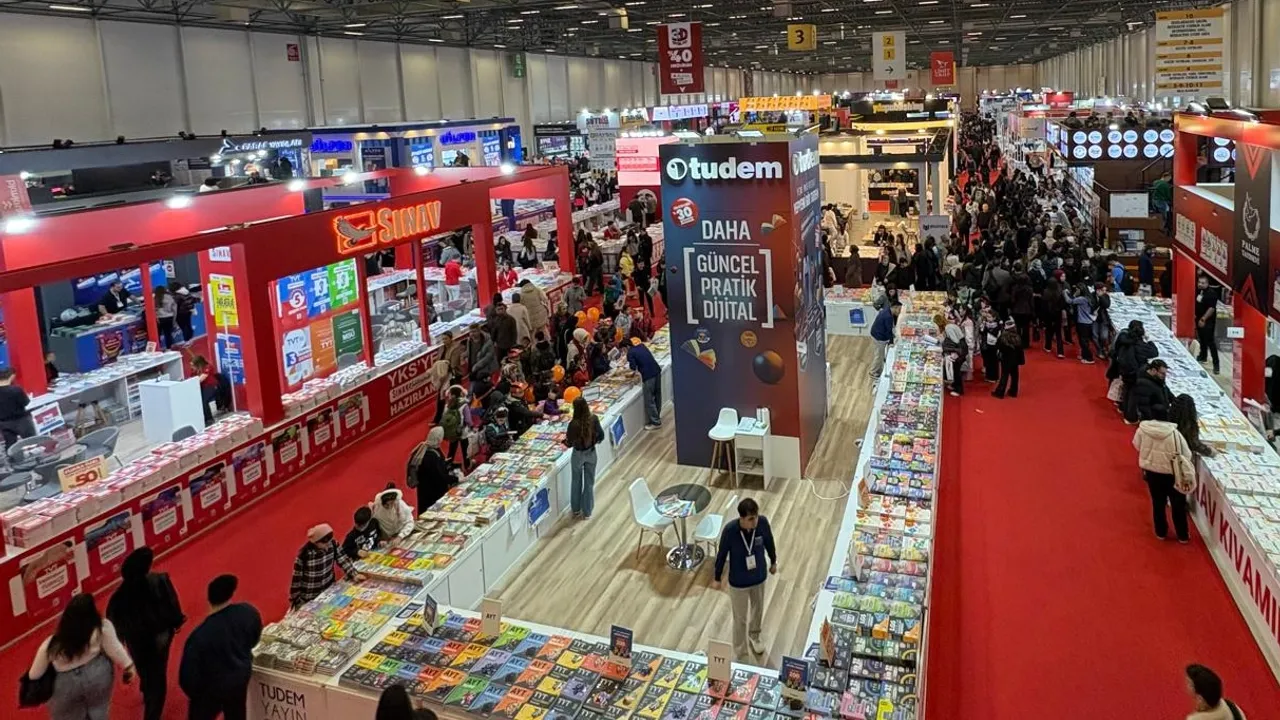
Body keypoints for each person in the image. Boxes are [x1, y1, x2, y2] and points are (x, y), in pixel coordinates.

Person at [27, 593, 135, 720]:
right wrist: (128, 666)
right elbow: (115, 649)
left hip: (65, 683)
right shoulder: (102, 628)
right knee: (99, 709)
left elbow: (34, 674)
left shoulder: (51, 644)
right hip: (98, 674)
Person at [105, 547, 184, 720]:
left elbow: (113, 625)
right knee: (158, 675)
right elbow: (172, 604)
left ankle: (147, 688)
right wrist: (177, 621)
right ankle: (152, 711)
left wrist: (121, 646)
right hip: (160, 637)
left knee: (145, 669)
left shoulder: (118, 596)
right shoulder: (160, 580)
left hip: (136, 642)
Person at [180, 575, 263, 720]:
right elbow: (255, 638)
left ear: (209, 599)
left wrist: (199, 693)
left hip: (210, 691)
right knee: (237, 714)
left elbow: (187, 677)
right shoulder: (248, 612)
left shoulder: (199, 636)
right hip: (239, 678)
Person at [712, 498, 778, 660]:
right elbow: (721, 554)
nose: (754, 521)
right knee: (740, 617)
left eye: (756, 517)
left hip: (759, 577)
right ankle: (740, 649)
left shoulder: (762, 523)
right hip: (738, 582)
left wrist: (773, 561)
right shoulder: (730, 531)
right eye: (750, 519)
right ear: (741, 518)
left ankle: (754, 636)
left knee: (758, 610)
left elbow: (769, 542)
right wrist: (717, 577)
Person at [1133, 405, 1195, 543]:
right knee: (1177, 504)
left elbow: (1136, 445)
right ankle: (1182, 535)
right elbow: (1186, 454)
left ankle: (1160, 532)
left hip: (1152, 472)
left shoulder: (1143, 429)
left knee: (1158, 503)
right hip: (1172, 473)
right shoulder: (1175, 433)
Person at [289, 523, 364, 609]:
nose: (328, 546)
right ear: (316, 542)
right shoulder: (304, 556)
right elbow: (296, 580)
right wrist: (296, 600)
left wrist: (354, 574)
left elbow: (343, 559)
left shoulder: (333, 544)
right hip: (310, 596)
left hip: (328, 590)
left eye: (329, 542)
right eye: (325, 543)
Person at [563, 396, 604, 519]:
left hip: (578, 454)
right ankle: (587, 511)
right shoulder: (594, 419)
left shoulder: (573, 424)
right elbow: (601, 435)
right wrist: (593, 441)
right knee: (589, 482)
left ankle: (576, 509)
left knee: (576, 480)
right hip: (591, 452)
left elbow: (569, 443)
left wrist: (564, 442)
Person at [408, 426, 458, 513]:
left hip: (425, 490)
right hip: (432, 492)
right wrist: (455, 478)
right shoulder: (431, 456)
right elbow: (439, 476)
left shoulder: (426, 449)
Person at [1171, 394, 1216, 459]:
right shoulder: (1189, 424)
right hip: (1182, 456)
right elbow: (1194, 444)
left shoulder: (1168, 418)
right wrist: (1210, 452)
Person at [0, 367, 36, 450]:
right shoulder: (16, 390)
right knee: (31, 442)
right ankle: (35, 456)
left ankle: (14, 458)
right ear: (12, 376)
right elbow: (25, 403)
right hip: (21, 420)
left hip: (4, 422)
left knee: (11, 445)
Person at [992, 320, 1025, 399]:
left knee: (1004, 375)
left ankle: (1000, 392)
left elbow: (998, 346)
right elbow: (1020, 349)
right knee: (1015, 376)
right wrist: (1021, 360)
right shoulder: (1017, 337)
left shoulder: (1003, 336)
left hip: (1006, 359)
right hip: (1015, 359)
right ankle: (1013, 391)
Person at [1195, 275, 1221, 374]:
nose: (1200, 284)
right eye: (1199, 282)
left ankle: (1216, 365)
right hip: (1199, 318)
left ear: (1207, 283)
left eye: (1203, 283)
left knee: (1210, 341)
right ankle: (1203, 356)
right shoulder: (1199, 291)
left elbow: (1211, 308)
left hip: (1207, 321)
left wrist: (1203, 319)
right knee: (1201, 338)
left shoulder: (1211, 293)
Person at [440, 389, 471, 472]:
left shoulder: (447, 405)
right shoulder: (464, 404)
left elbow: (444, 418)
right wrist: (470, 426)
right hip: (463, 432)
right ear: (460, 393)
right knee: (465, 450)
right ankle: (467, 467)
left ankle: (448, 466)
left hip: (452, 432)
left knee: (451, 450)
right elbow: (468, 420)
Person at [868, 300, 897, 379]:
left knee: (879, 354)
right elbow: (888, 331)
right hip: (879, 337)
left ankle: (880, 369)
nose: (899, 312)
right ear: (894, 308)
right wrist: (891, 341)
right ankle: (873, 372)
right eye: (898, 309)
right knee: (879, 356)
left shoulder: (886, 310)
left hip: (875, 333)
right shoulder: (888, 317)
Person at [191, 356, 219, 425]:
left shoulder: (207, 367)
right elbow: (191, 379)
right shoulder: (194, 370)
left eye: (193, 365)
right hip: (202, 388)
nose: (192, 367)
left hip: (211, 387)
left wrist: (192, 382)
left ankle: (209, 419)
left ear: (198, 364)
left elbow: (201, 379)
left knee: (204, 401)